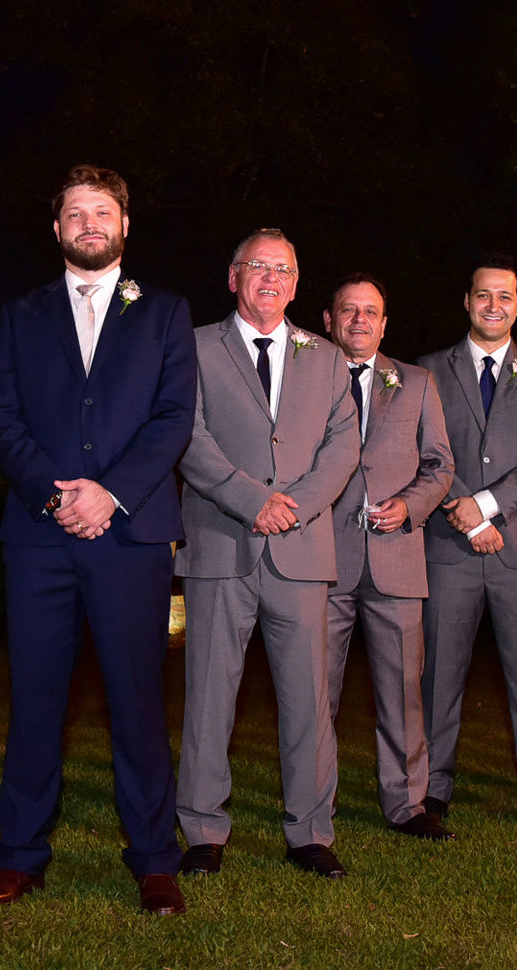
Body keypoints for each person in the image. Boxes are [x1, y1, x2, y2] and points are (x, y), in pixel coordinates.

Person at [0, 164, 197, 916]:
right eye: (76, 212)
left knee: (137, 702)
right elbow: (2, 417)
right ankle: (19, 857)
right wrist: (54, 493)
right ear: (57, 228)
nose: (89, 223)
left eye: (103, 211)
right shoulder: (21, 313)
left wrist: (111, 494)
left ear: (125, 225)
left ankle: (155, 860)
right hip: (42, 538)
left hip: (132, 537)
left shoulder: (165, 312)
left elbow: (173, 417)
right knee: (34, 703)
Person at [174, 230, 361, 879]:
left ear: (296, 283)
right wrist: (250, 500)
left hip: (301, 551)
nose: (271, 278)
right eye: (259, 267)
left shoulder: (327, 358)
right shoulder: (195, 347)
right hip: (221, 546)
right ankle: (202, 829)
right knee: (208, 697)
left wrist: (294, 506)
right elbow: (186, 435)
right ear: (234, 277)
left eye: (283, 269)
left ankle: (309, 832)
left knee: (308, 699)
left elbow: (343, 446)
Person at [416, 257, 517, 834]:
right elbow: (424, 450)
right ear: (467, 301)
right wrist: (464, 513)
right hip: (447, 545)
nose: (494, 305)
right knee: (438, 675)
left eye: (504, 296)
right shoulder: (428, 370)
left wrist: (486, 506)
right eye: (483, 295)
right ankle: (431, 788)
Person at [321, 274, 456, 840]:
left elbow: (440, 464)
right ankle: (313, 804)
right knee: (315, 693)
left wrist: (411, 506)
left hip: (397, 558)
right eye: (348, 310)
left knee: (403, 692)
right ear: (328, 321)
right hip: (322, 560)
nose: (359, 320)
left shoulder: (418, 382)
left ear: (384, 324)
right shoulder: (308, 376)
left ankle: (407, 805)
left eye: (370, 312)